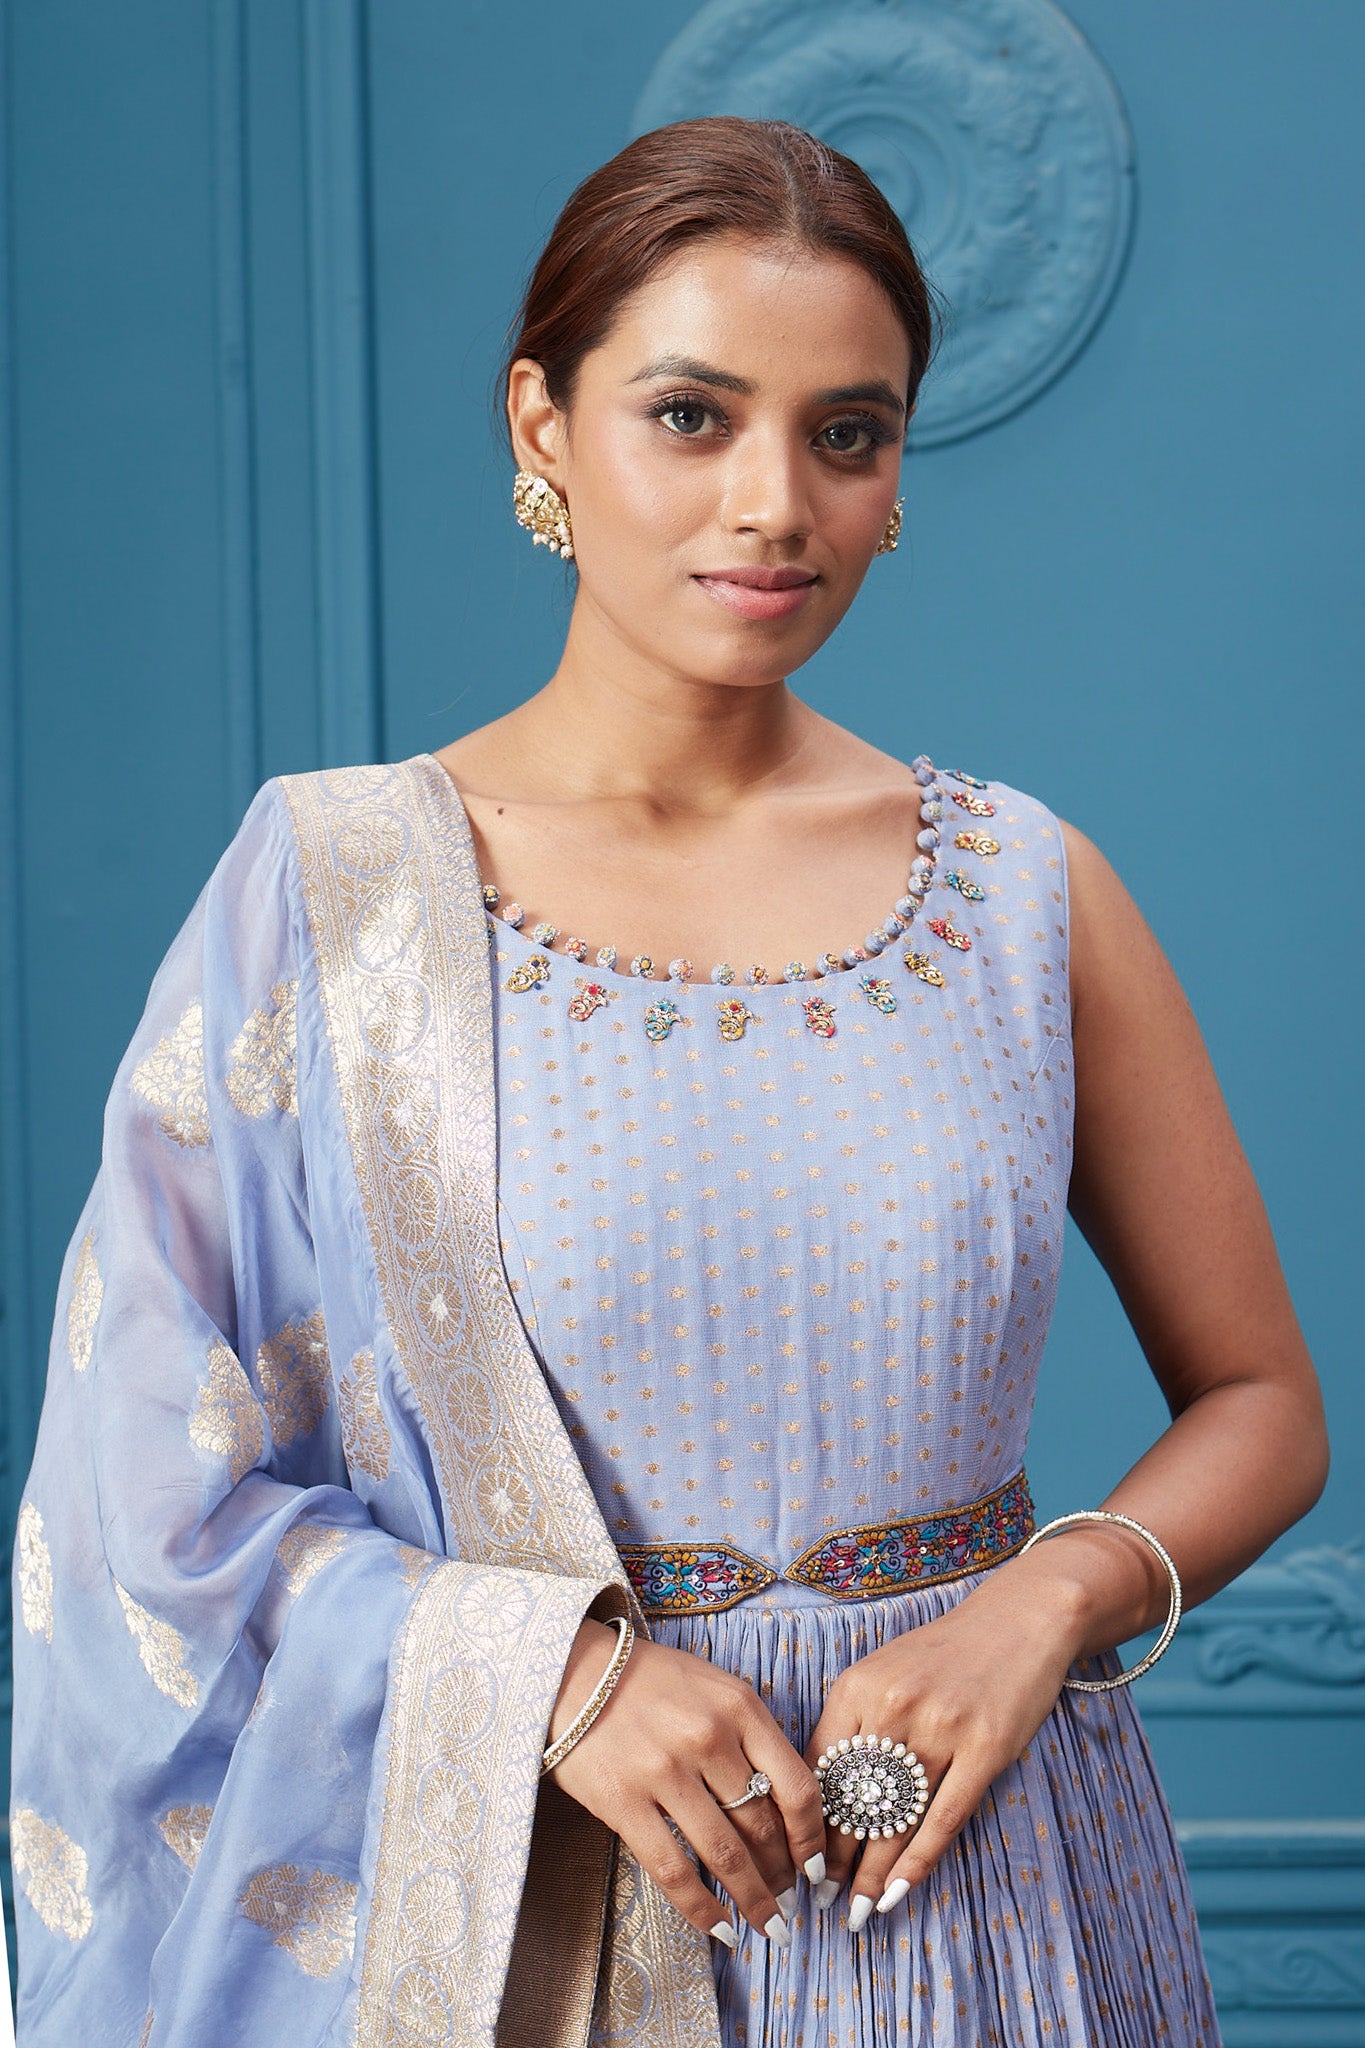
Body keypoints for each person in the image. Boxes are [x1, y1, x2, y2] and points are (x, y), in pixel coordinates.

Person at [10, 117, 1327, 2048]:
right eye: (691, 417)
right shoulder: (335, 895)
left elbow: (1261, 1404)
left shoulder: (1020, 893)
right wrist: (552, 1679)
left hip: (985, 1876)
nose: (773, 504)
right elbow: (150, 1484)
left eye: (846, 434)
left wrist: (1039, 1611)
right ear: (542, 425)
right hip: (543, 1901)